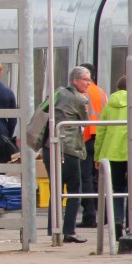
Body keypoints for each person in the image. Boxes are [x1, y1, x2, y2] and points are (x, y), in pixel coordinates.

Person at [94, 75, 132, 239]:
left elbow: (100, 133)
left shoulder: (109, 106)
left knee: (116, 190)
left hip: (111, 155)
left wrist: (97, 156)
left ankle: (116, 222)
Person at [43, 66, 91, 243]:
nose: (88, 83)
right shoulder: (80, 99)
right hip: (69, 149)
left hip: (50, 146)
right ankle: (69, 231)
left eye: (89, 79)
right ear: (75, 81)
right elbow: (85, 122)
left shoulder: (57, 93)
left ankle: (52, 228)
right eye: (85, 79)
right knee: (74, 190)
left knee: (55, 188)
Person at [77, 63, 108, 228]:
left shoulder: (83, 92)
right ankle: (104, 214)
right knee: (99, 178)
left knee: (85, 178)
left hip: (86, 137)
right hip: (100, 138)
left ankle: (89, 216)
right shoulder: (102, 93)